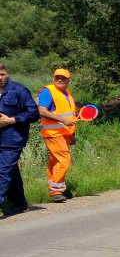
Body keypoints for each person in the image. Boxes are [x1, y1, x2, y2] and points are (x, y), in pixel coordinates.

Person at [0, 63, 41, 216]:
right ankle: (19, 203)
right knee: (10, 171)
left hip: (13, 139)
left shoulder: (19, 90)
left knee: (2, 171)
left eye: (2, 74)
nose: (0, 78)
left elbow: (34, 114)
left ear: (7, 74)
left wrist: (12, 120)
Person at [37, 68, 78, 202]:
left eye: (63, 78)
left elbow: (70, 116)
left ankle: (56, 188)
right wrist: (62, 120)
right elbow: (42, 111)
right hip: (53, 133)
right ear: (53, 78)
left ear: (68, 80)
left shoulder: (67, 93)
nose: (60, 80)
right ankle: (56, 191)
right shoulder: (48, 92)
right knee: (63, 160)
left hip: (63, 134)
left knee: (55, 161)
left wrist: (72, 134)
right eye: (57, 77)